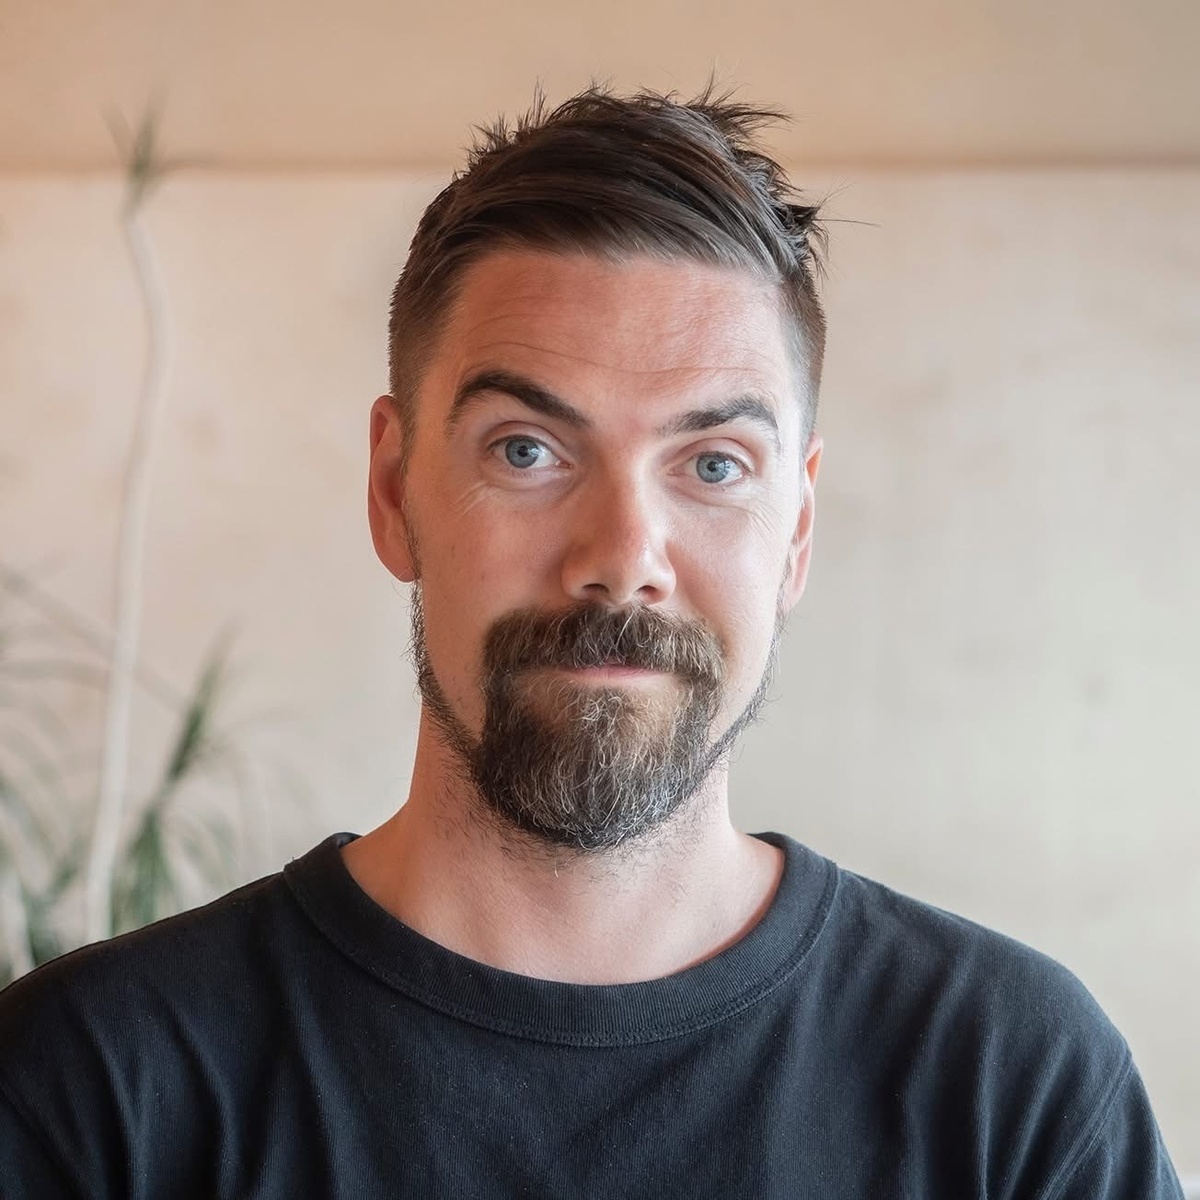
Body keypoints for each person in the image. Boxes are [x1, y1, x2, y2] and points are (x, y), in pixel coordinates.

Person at [0, 86, 1185, 1199]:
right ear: (394, 490)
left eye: (713, 464)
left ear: (796, 533)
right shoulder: (93, 1084)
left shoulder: (1015, 1088)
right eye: (528, 449)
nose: (622, 555)